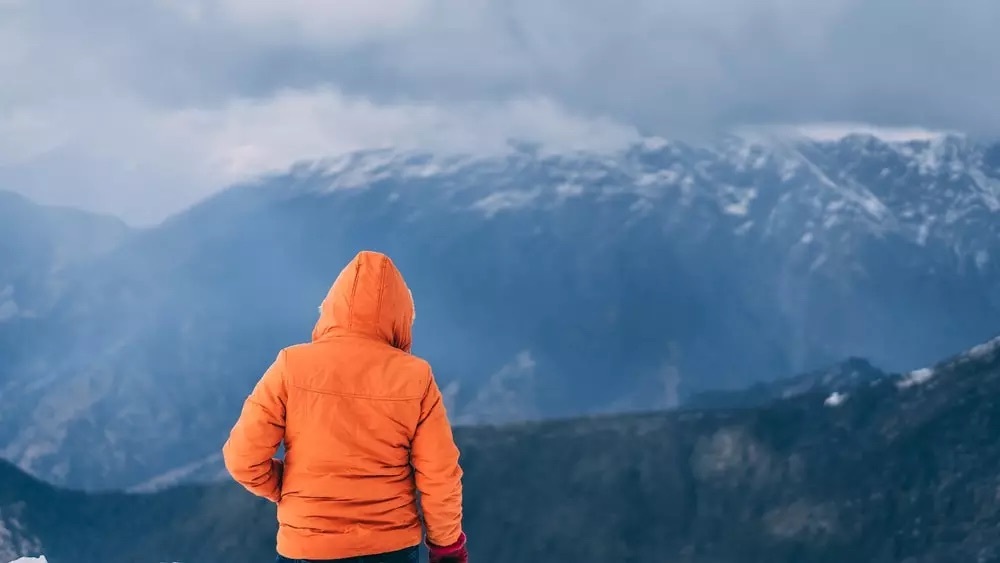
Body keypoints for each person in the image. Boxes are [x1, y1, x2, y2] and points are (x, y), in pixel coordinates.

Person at [222, 250, 469, 563]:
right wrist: (446, 545)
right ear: (401, 316)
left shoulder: (291, 365)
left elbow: (243, 458)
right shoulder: (416, 376)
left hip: (306, 546)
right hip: (390, 549)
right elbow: (439, 473)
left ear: (330, 308)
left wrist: (288, 489)